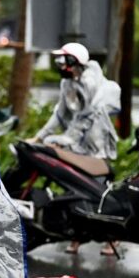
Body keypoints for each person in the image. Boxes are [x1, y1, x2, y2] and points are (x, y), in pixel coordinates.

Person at [27, 42, 121, 256]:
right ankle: (77, 235)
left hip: (96, 144)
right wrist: (40, 137)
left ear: (74, 62)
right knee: (74, 186)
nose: (60, 65)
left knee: (97, 189)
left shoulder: (92, 84)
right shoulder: (67, 84)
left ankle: (113, 236)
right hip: (77, 144)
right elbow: (60, 114)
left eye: (63, 60)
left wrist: (64, 139)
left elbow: (86, 117)